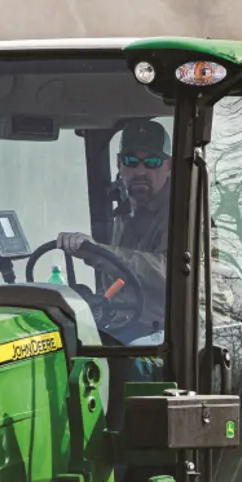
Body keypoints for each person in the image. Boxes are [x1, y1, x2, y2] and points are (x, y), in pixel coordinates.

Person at [59, 118, 171, 331]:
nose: (140, 171)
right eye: (131, 161)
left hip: (162, 335)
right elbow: (118, 282)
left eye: (152, 162)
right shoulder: (123, 214)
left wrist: (100, 253)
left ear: (169, 166)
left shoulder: (184, 215)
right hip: (121, 326)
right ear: (119, 164)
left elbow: (171, 273)